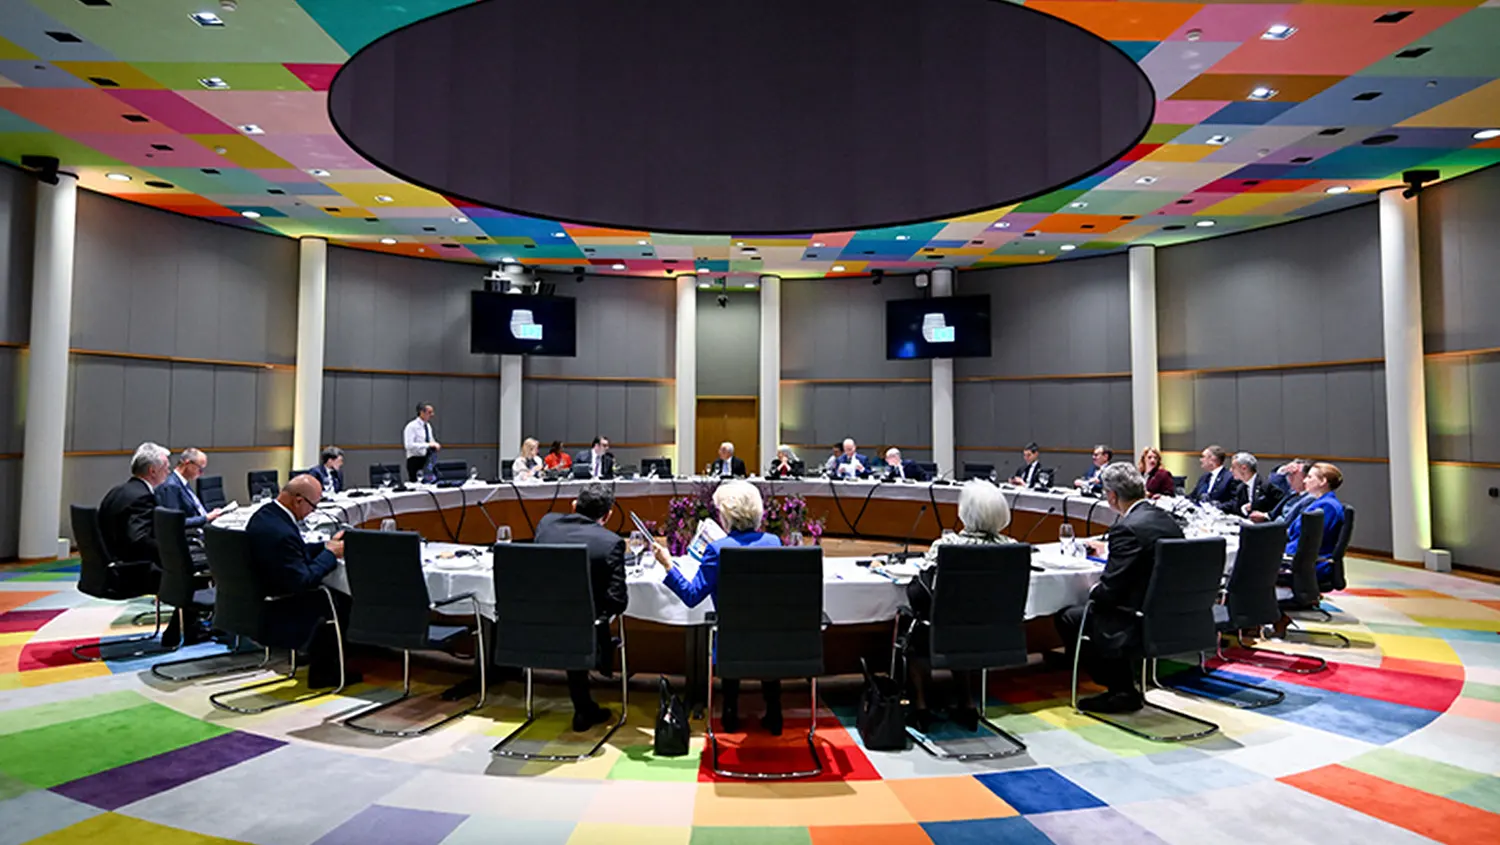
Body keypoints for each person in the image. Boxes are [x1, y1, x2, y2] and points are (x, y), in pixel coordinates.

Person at [651, 480, 785, 734]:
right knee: (760, 629)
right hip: (771, 639)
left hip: (731, 640)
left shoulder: (716, 549)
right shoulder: (773, 542)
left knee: (728, 629)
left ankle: (730, 713)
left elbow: (691, 596)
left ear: (726, 516)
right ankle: (775, 712)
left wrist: (667, 564)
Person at [1054, 463, 1184, 714]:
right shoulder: (1166, 521)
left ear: (1112, 496)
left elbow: (1110, 590)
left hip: (1136, 618)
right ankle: (1125, 680)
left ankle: (1121, 689)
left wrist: (1089, 592)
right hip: (1171, 614)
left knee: (1070, 616)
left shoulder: (1126, 528)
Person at [904, 481, 1016, 732]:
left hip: (948, 634)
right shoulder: (1012, 547)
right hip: (995, 634)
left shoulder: (947, 545)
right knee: (964, 622)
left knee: (917, 625)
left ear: (964, 512)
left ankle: (921, 708)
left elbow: (919, 593)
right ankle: (966, 704)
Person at [532, 483, 629, 731]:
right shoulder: (611, 542)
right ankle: (584, 708)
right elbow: (618, 601)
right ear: (607, 516)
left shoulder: (546, 525)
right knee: (581, 618)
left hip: (535, 624)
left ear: (574, 505)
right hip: (581, 632)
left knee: (569, 617)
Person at [243, 474, 354, 688]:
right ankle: (327, 672)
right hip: (281, 605)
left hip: (261, 595)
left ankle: (314, 653)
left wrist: (324, 548)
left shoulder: (266, 515)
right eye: (314, 505)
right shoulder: (282, 532)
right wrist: (329, 556)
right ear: (299, 500)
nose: (313, 511)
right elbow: (303, 581)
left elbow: (294, 553)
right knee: (342, 597)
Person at [99, 442, 201, 646]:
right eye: (166, 467)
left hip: (108, 568)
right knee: (196, 572)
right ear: (153, 470)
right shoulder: (142, 497)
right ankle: (182, 634)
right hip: (129, 573)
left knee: (191, 563)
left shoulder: (117, 491)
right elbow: (139, 540)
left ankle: (184, 629)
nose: (169, 471)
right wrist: (173, 554)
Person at [1286, 462, 1346, 578]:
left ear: (1323, 481)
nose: (1304, 481)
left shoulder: (1327, 507)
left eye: (1309, 477)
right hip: (1302, 558)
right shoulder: (1320, 503)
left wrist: (1278, 553)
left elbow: (1308, 542)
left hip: (1311, 564)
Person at [155, 447, 225, 530]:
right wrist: (206, 517)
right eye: (200, 468)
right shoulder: (171, 486)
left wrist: (212, 514)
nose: (201, 473)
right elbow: (175, 522)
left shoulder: (183, 482)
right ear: (187, 463)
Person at [1250, 459, 1312, 524]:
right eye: (1288, 474)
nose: (1290, 477)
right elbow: (1273, 481)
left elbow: (1286, 521)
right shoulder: (1292, 491)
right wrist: (1284, 469)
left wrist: (1267, 518)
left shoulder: (1309, 498)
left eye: (1294, 473)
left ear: (1305, 477)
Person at [1228, 452, 1283, 517]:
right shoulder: (1240, 488)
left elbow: (1280, 506)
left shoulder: (1266, 486)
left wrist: (1265, 515)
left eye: (1233, 467)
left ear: (1244, 468)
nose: (1230, 470)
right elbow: (1236, 510)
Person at [403, 403, 441, 482]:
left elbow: (430, 440)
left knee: (430, 482)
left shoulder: (428, 426)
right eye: (429, 412)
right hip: (415, 460)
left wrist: (435, 444)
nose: (432, 415)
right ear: (422, 412)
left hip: (427, 459)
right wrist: (427, 445)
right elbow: (409, 445)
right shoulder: (411, 426)